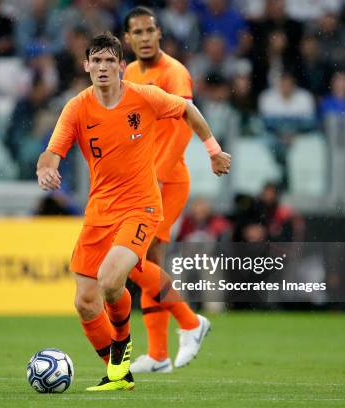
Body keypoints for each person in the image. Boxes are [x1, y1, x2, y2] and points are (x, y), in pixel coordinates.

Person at [36, 33, 231, 391]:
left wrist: (213, 149)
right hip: (99, 211)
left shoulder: (144, 97)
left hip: (140, 206)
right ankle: (118, 372)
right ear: (86, 66)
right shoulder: (77, 108)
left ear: (121, 67)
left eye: (110, 61)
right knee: (85, 301)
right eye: (97, 61)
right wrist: (44, 168)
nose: (103, 67)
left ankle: (129, 352)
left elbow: (187, 109)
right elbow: (51, 152)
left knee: (112, 281)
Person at [122, 6, 213, 374]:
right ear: (127, 39)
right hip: (141, 181)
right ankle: (159, 354)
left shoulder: (175, 73)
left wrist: (155, 175)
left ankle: (191, 322)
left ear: (159, 33)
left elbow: (183, 125)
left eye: (149, 31)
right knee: (149, 263)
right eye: (137, 33)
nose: (144, 38)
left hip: (167, 181)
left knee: (136, 260)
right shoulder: (128, 72)